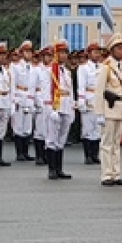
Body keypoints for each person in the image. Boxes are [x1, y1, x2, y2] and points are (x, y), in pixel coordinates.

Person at [95, 34, 122, 186]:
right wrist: (99, 113)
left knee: (117, 143)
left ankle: (116, 173)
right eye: (119, 48)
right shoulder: (106, 67)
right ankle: (106, 174)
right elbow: (99, 91)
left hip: (121, 108)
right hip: (109, 109)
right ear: (112, 50)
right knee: (107, 143)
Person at [40, 39, 75, 180]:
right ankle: (52, 169)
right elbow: (45, 91)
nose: (64, 55)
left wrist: (72, 108)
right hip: (54, 106)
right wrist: (50, 108)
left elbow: (70, 91)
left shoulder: (66, 72)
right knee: (52, 138)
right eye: (61, 52)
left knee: (61, 139)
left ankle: (59, 169)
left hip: (66, 105)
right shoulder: (48, 71)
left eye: (66, 52)